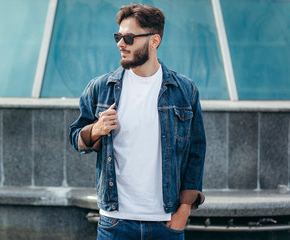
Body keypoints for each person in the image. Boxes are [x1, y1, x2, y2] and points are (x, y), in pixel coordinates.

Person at [69, 4, 206, 240]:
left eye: (129, 38)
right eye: (118, 37)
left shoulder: (184, 90)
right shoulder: (101, 88)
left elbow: (196, 151)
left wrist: (183, 212)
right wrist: (96, 130)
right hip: (115, 223)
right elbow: (75, 137)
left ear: (154, 41)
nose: (120, 44)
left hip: (166, 223)